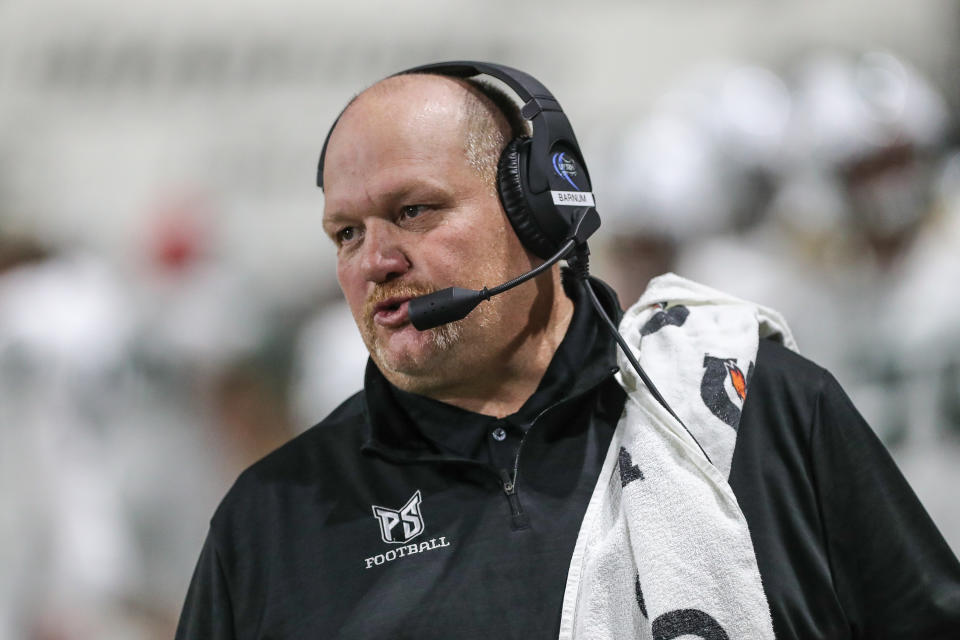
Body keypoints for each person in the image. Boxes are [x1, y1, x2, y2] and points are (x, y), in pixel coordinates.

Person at [176, 62, 960, 639]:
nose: (373, 260)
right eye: (347, 233)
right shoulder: (270, 517)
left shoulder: (754, 406)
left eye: (413, 211)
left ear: (543, 212)